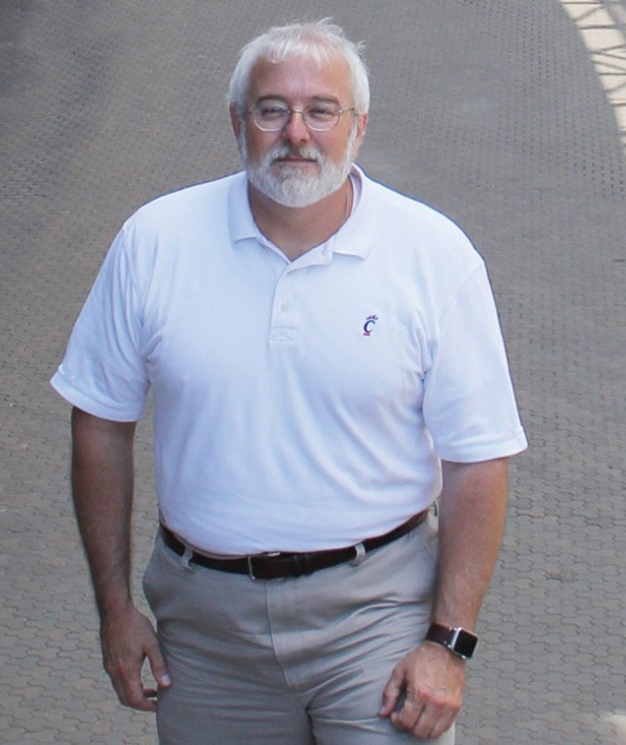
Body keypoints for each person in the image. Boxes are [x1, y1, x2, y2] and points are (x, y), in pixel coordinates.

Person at [51, 18, 527, 744]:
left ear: (359, 127)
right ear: (237, 123)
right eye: (272, 109)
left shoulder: (434, 257)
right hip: (205, 635)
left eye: (321, 111)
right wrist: (115, 609)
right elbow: (100, 423)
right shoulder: (154, 242)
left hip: (376, 621)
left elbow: (478, 460)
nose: (296, 132)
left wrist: (448, 644)